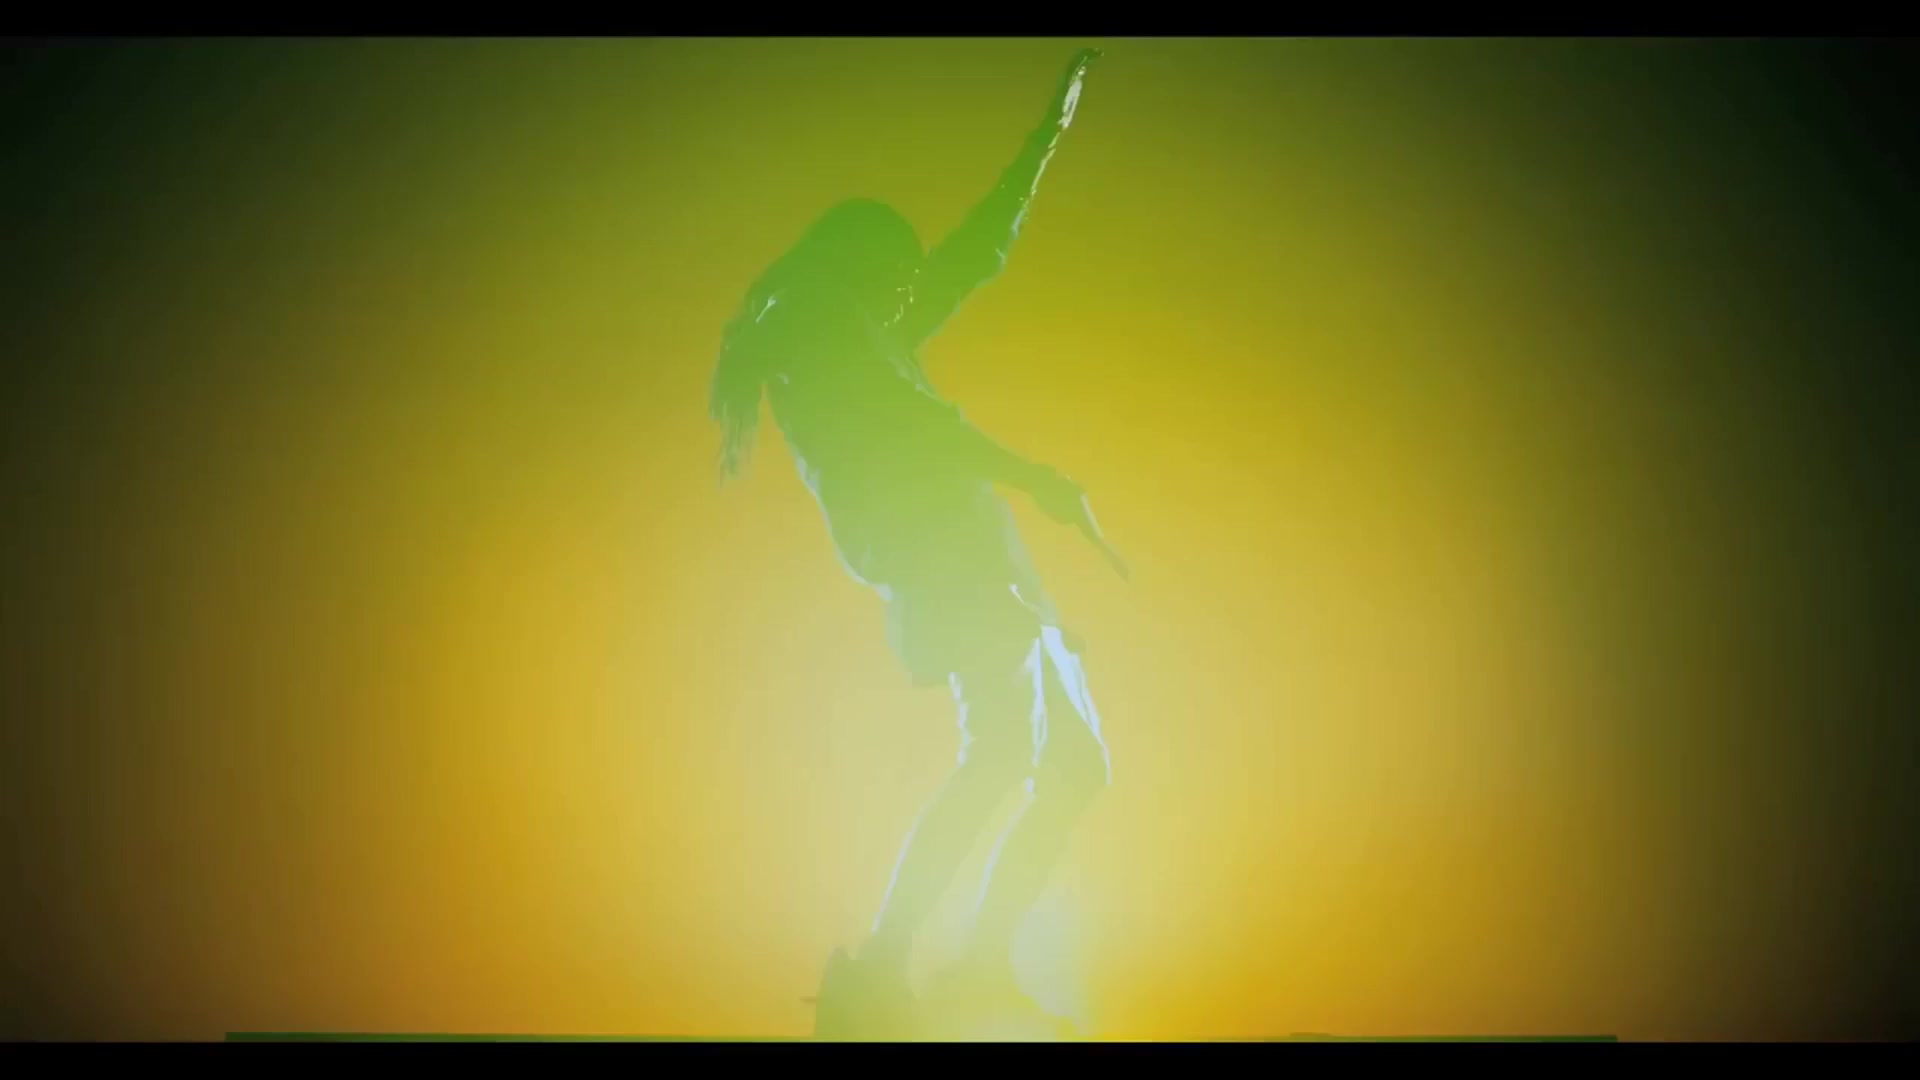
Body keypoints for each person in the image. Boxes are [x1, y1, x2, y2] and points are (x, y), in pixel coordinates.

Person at [708, 48, 1120, 1040]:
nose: (910, 294)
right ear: (853, 264)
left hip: (990, 561)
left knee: (1074, 769)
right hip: (947, 567)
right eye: (895, 278)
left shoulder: (870, 324)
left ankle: (975, 964)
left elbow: (974, 254)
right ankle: (882, 968)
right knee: (1001, 757)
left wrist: (1045, 140)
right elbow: (913, 422)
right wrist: (1033, 474)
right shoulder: (816, 332)